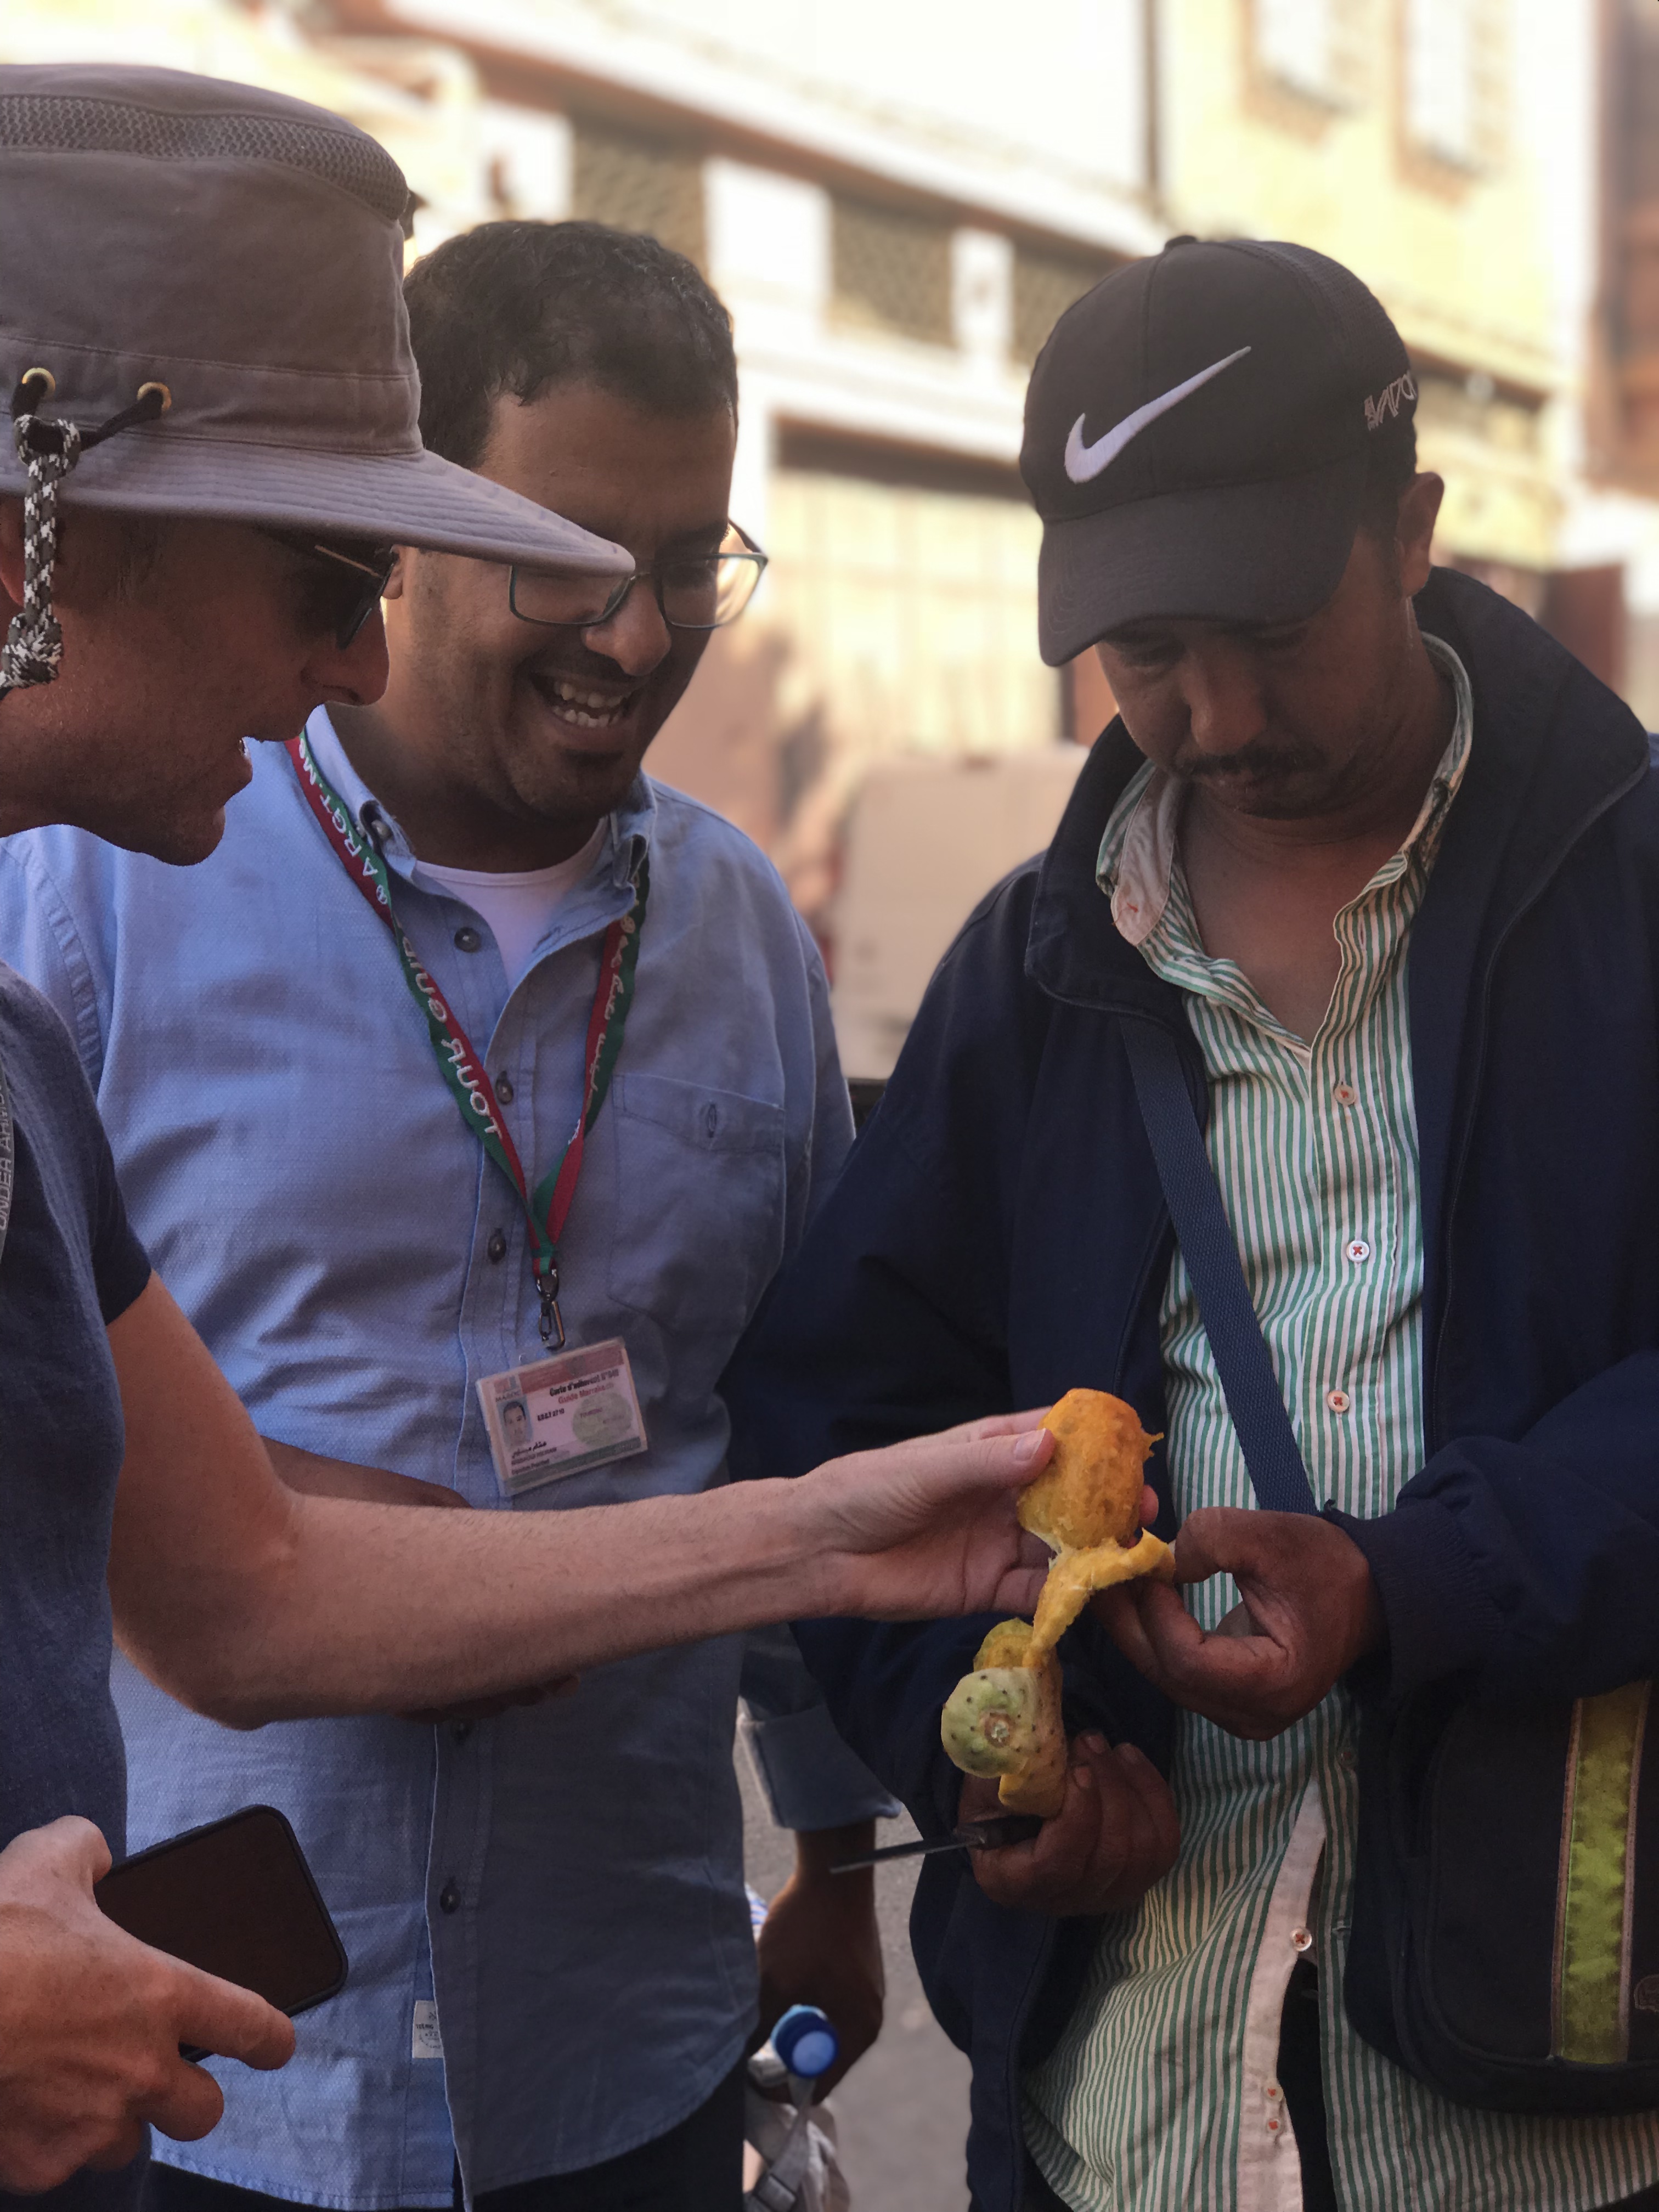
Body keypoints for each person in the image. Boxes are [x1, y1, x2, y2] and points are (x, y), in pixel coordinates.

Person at [0, 65, 1056, 2208]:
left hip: (585, 2048)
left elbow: (250, 1590)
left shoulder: (13, 1064)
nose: (355, 651)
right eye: (325, 564)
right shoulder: (71, 933)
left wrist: (824, 1545)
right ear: (39, 529)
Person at [725, 235, 1659, 2212]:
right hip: (1127, 2113)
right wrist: (996, 1761)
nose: (1217, 713)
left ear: (1412, 528)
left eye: (1268, 626)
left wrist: (1423, 1581)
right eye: (1145, 651)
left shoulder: (1636, 906)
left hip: (1572, 2110)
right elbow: (841, 1418)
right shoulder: (1034, 973)